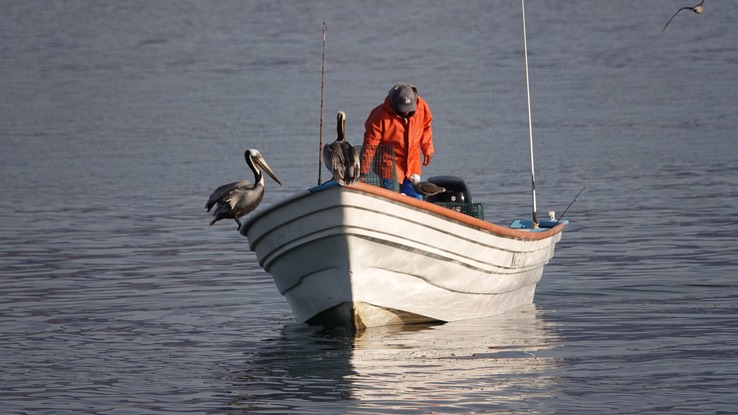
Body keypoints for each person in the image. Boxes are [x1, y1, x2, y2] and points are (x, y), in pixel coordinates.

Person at [360, 83, 434, 199]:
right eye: (403, 110)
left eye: (409, 110)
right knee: (391, 200)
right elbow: (370, 146)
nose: (406, 113)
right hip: (388, 167)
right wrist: (363, 171)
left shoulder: (422, 107)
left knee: (415, 201)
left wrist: (427, 148)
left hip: (412, 165)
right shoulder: (379, 116)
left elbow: (426, 127)